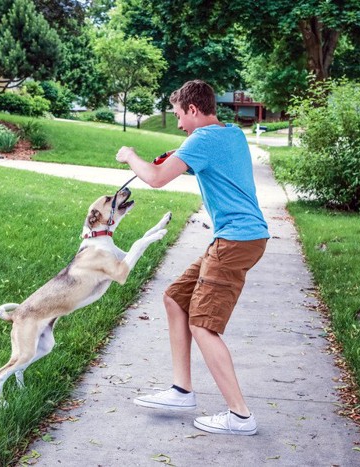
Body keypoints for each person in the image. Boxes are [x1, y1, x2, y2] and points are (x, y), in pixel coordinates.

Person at [115, 80, 269, 436]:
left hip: (235, 240)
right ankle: (182, 390)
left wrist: (130, 156)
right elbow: (202, 157)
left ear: (194, 110)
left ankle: (240, 415)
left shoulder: (200, 140)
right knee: (175, 299)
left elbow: (154, 179)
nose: (179, 123)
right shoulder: (230, 134)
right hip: (240, 238)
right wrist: (180, 153)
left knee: (203, 324)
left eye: (180, 115)